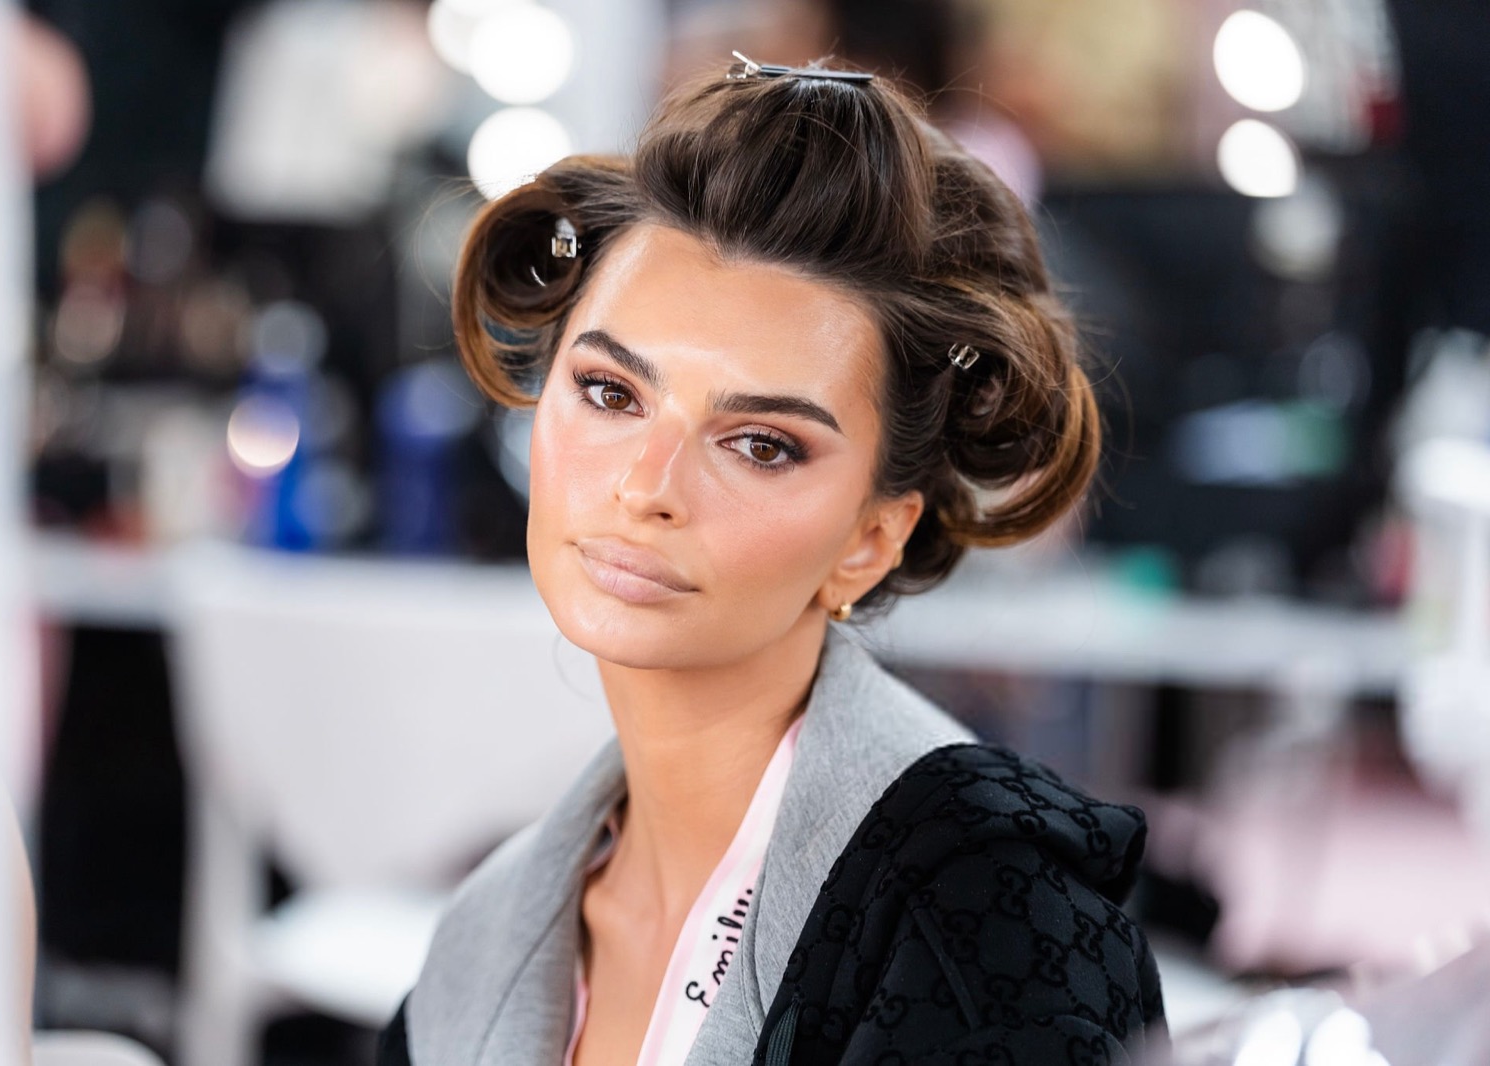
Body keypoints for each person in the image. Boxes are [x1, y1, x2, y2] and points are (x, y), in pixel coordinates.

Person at [379, 53, 1166, 1065]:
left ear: (871, 539)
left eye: (760, 444)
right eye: (612, 393)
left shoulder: (995, 928)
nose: (648, 485)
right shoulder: (480, 947)